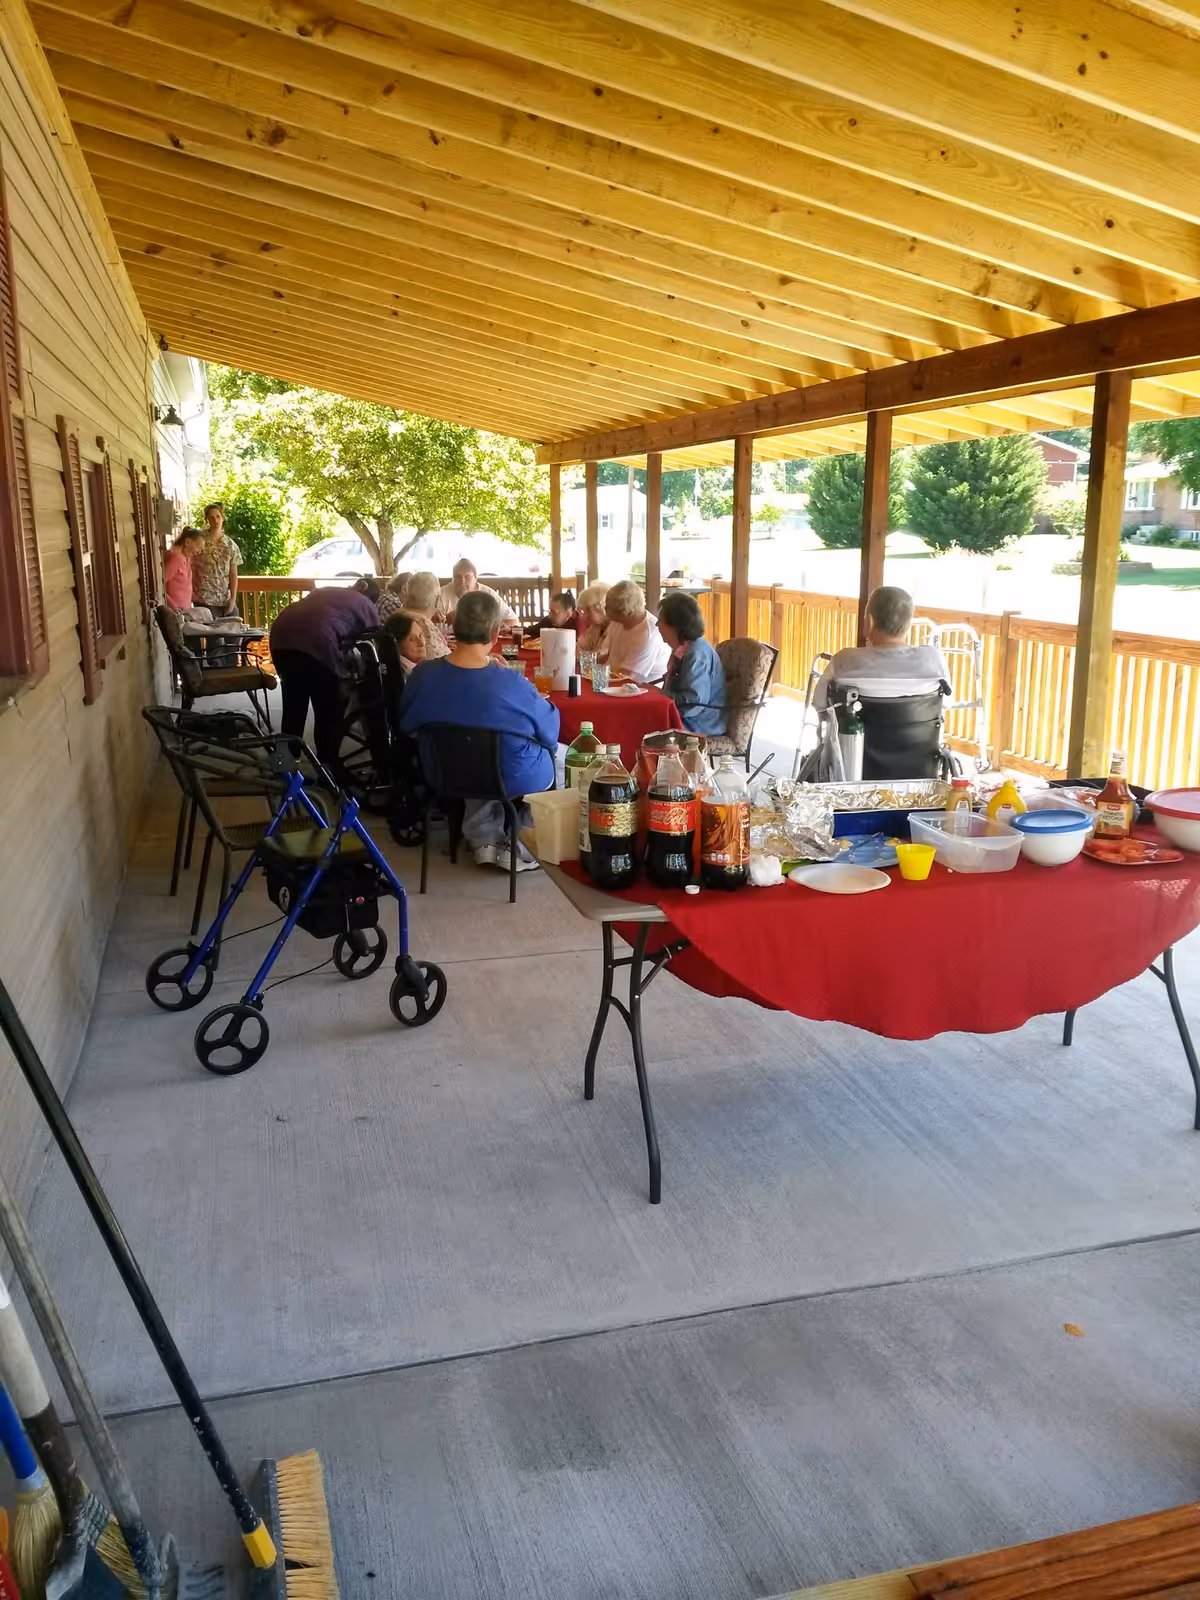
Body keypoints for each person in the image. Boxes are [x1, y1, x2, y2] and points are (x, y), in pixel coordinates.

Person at [399, 589, 557, 874]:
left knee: (469, 749)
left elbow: (407, 724)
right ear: (496, 633)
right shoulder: (511, 683)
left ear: (455, 626)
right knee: (558, 757)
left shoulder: (423, 675)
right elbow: (549, 732)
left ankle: (483, 838)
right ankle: (522, 845)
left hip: (444, 772)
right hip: (508, 775)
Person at [269, 583, 380, 771]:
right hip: (318, 641)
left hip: (281, 636)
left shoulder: (326, 590)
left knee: (293, 706)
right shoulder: (367, 605)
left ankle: (283, 766)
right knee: (327, 711)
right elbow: (374, 647)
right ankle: (327, 768)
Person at [812, 586, 950, 709]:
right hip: (921, 738)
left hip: (857, 738)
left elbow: (820, 703)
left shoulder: (844, 660)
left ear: (870, 622)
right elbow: (945, 703)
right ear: (908, 625)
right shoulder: (933, 658)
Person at [657, 590, 727, 736]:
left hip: (701, 722)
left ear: (675, 626)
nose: (657, 624)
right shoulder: (684, 647)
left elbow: (693, 703)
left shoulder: (697, 654)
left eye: (661, 620)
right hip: (689, 717)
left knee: (644, 725)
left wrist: (659, 695)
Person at [598, 579, 671, 683]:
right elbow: (603, 655)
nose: (603, 608)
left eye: (607, 607)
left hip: (640, 690)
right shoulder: (617, 621)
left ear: (623, 612)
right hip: (612, 682)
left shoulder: (648, 635)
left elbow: (625, 676)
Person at [192, 501, 241, 616]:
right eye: (212, 517)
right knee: (212, 633)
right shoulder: (199, 540)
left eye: (218, 516)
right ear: (207, 520)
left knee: (234, 629)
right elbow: (189, 564)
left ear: (223, 518)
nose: (216, 520)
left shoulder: (230, 545)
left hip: (224, 599)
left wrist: (233, 599)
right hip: (204, 599)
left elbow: (233, 575)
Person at [438, 559, 517, 624]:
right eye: (458, 577)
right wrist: (447, 620)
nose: (462, 581)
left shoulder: (488, 595)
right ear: (453, 579)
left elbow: (513, 621)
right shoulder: (441, 595)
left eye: (467, 577)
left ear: (476, 578)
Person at [400, 571, 451, 660]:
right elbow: (446, 664)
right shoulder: (424, 627)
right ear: (437, 600)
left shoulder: (397, 617)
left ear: (407, 596)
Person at [162, 526, 205, 611]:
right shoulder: (175, 558)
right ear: (187, 542)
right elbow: (160, 585)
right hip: (174, 612)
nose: (199, 552)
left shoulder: (186, 556)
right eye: (198, 547)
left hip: (183, 611)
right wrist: (173, 606)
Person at [382, 610, 426, 675]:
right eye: (411, 639)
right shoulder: (408, 676)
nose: (421, 643)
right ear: (396, 645)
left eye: (421, 635)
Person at [576, 583, 610, 652]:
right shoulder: (595, 628)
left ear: (603, 606)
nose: (584, 615)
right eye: (583, 610)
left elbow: (603, 657)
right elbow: (577, 650)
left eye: (588, 609)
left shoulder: (617, 630)